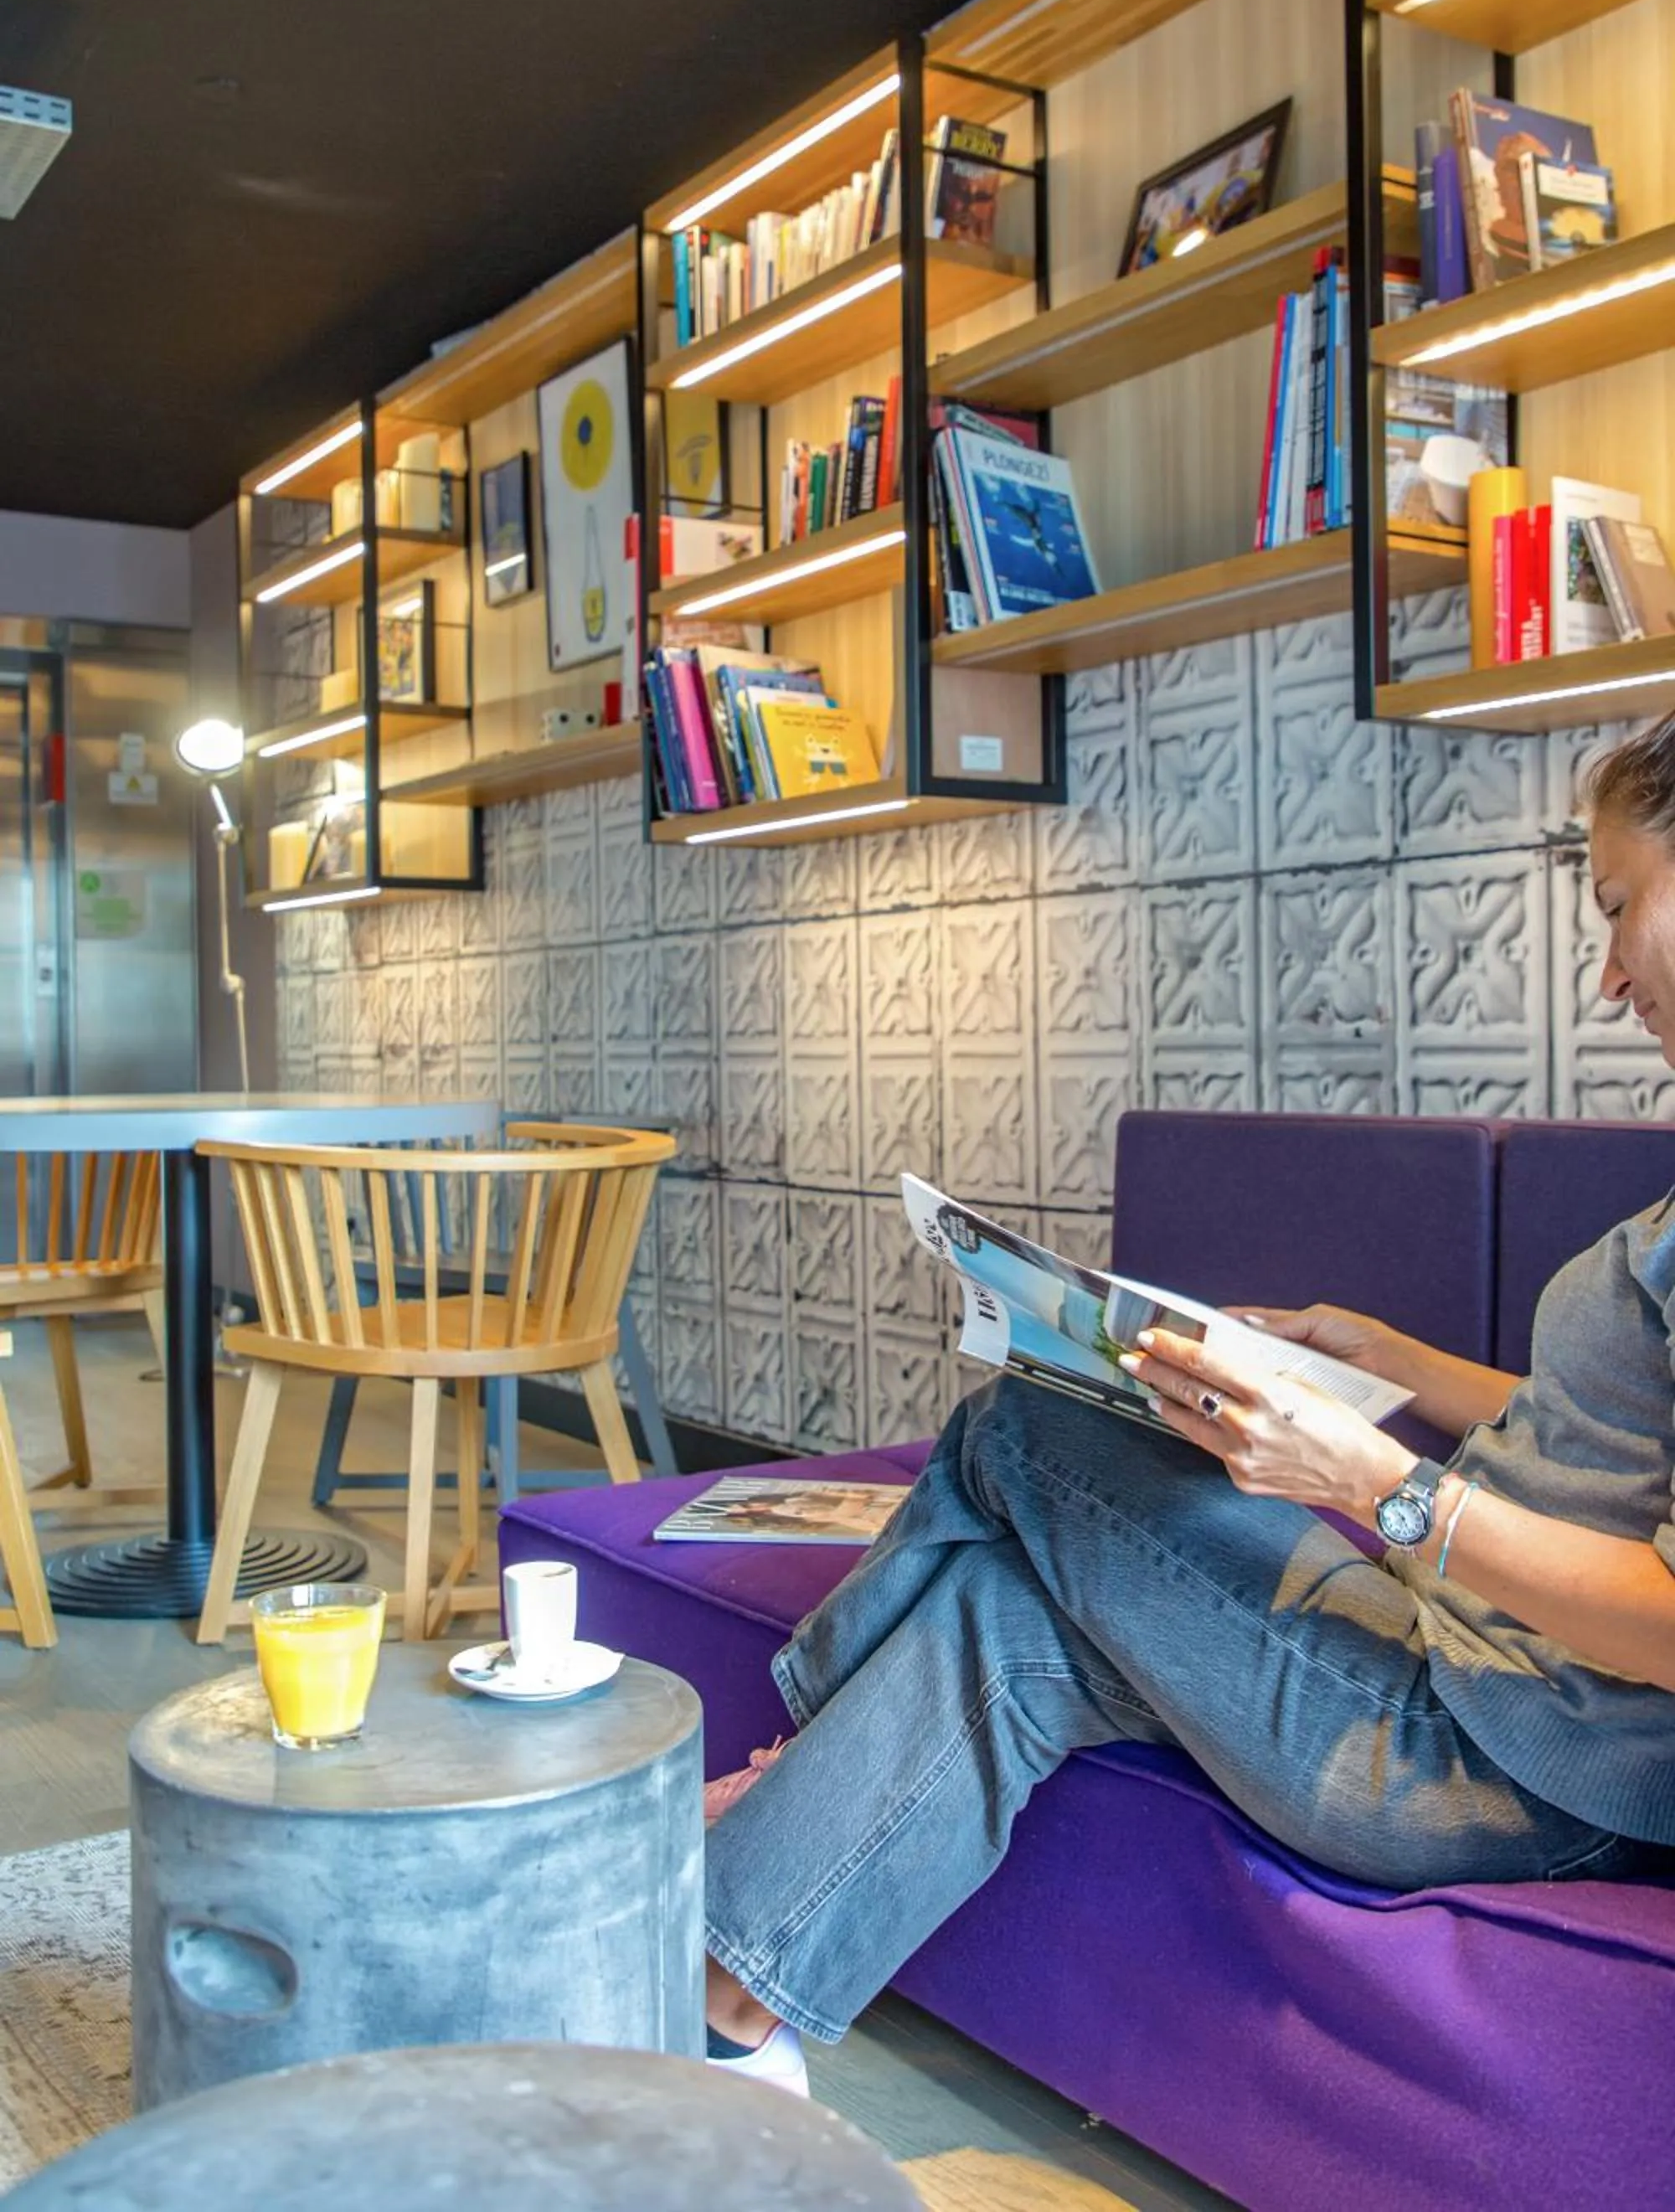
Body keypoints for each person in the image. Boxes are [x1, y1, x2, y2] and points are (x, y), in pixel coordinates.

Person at [703, 716, 1675, 2094]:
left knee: (1028, 1429)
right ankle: (726, 2015)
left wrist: (1374, 1485)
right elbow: (1612, 1436)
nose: (1607, 966)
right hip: (1487, 1677)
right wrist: (1383, 1350)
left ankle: (788, 1753)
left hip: (1520, 1766)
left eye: (1620, 904)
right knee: (1007, 1624)